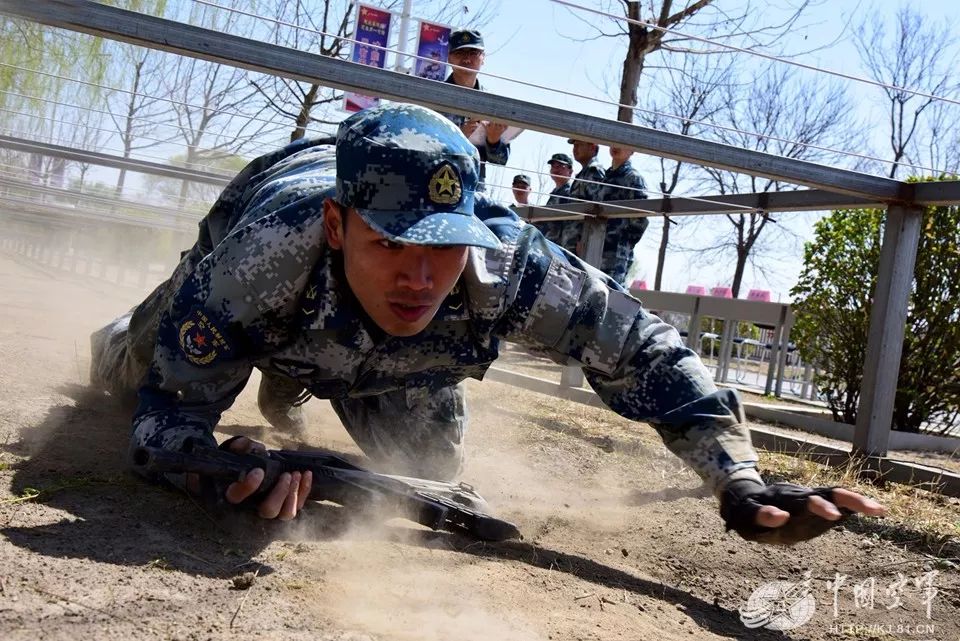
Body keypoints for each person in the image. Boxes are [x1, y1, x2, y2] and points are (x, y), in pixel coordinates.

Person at [90, 103, 884, 540]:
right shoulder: (263, 256)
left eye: (444, 246)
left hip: (384, 363)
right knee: (126, 388)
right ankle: (266, 369)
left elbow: (643, 348)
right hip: (260, 244)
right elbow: (165, 428)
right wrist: (217, 467)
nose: (421, 274)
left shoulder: (512, 263)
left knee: (429, 477)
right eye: (394, 242)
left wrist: (735, 478)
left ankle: (298, 385)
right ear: (339, 227)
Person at [441, 29, 509, 189]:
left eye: (473, 53)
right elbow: (422, 145)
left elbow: (501, 161)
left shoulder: (492, 103)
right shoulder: (434, 96)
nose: (467, 59)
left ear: (483, 58)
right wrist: (458, 137)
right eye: (460, 53)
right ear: (449, 57)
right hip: (437, 183)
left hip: (474, 188)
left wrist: (494, 141)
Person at [598, 145, 650, 285]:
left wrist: (623, 241)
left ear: (632, 150)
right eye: (613, 142)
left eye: (622, 144)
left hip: (616, 252)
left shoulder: (633, 179)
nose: (616, 147)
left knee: (612, 294)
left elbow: (640, 219)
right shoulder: (605, 177)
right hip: (595, 246)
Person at [537, 152, 574, 244]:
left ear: (570, 171)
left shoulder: (569, 193)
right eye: (553, 165)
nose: (555, 168)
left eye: (561, 166)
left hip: (561, 244)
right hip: (549, 242)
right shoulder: (555, 193)